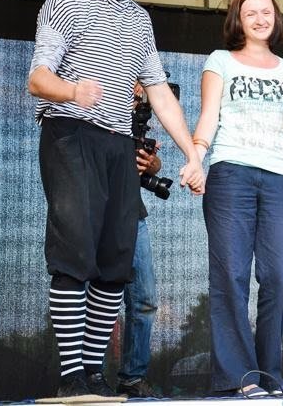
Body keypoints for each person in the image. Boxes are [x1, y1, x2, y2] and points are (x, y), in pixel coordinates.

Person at [27, 0, 204, 398]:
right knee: (75, 253)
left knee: (116, 261)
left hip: (117, 143)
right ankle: (71, 379)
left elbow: (159, 92)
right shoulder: (67, 2)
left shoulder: (139, 19)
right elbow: (37, 78)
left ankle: (94, 375)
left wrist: (192, 154)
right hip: (70, 133)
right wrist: (72, 91)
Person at [191, 0, 283, 398]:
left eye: (266, 12)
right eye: (251, 13)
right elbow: (209, 116)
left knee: (282, 274)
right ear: (238, 21)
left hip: (279, 177)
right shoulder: (220, 61)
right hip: (231, 173)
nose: (260, 19)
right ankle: (239, 378)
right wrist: (196, 157)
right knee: (231, 274)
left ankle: (269, 374)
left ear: (276, 18)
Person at [116, 83, 162, 399]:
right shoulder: (95, 108)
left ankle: (133, 378)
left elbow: (150, 163)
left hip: (133, 213)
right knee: (91, 295)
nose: (139, 95)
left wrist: (152, 163)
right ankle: (85, 376)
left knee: (144, 299)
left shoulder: (138, 122)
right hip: (94, 212)